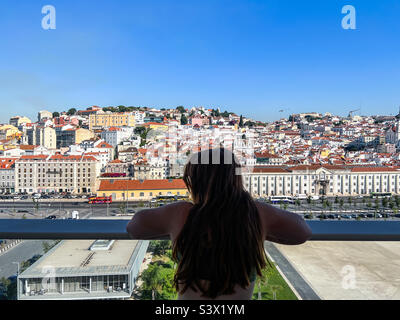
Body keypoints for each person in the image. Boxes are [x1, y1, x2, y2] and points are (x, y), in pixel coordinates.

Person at [126, 148, 312, 300]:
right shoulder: (255, 214)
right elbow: (302, 231)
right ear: (235, 179)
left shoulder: (180, 214)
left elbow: (134, 227)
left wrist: (170, 228)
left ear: (196, 182)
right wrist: (264, 230)